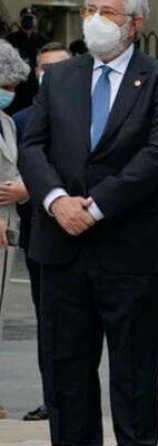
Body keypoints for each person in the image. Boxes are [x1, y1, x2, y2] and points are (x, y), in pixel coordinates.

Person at [19, 0, 158, 446]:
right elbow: (33, 145)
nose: (95, 19)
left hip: (130, 250)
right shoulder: (62, 78)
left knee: (134, 367)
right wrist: (56, 201)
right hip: (60, 243)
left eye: (108, 11)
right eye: (91, 8)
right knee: (65, 362)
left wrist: (93, 206)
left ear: (136, 23)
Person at [13, 41, 71, 422]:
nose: (49, 74)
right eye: (43, 67)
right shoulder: (18, 122)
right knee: (48, 321)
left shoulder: (92, 118)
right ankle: (53, 399)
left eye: (58, 67)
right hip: (40, 238)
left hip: (84, 230)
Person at [0, 41, 31, 420]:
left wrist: (26, 188)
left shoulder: (7, 122)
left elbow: (16, 171)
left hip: (8, 227)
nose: (9, 91)